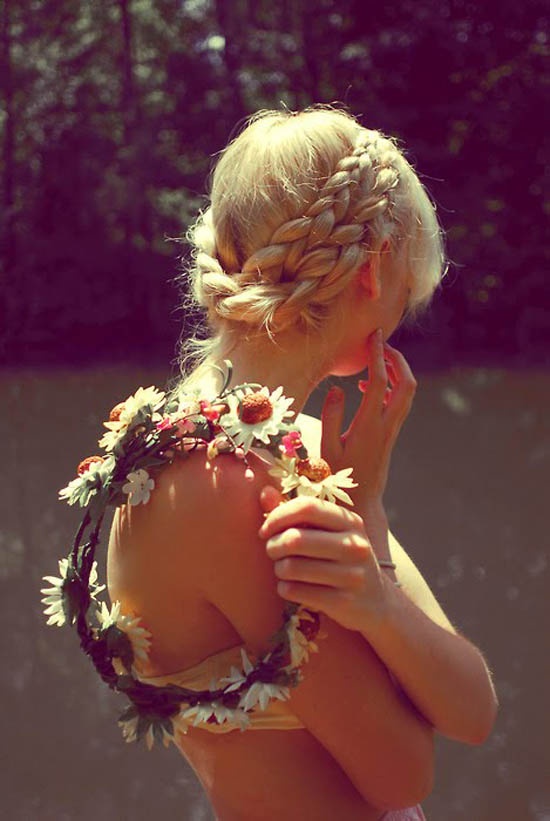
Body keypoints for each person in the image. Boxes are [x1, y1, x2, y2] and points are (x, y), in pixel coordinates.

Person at [106, 107, 498, 820]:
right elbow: (403, 774)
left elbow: (472, 708)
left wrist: (367, 512)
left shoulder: (264, 446)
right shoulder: (224, 483)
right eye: (409, 282)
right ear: (375, 270)